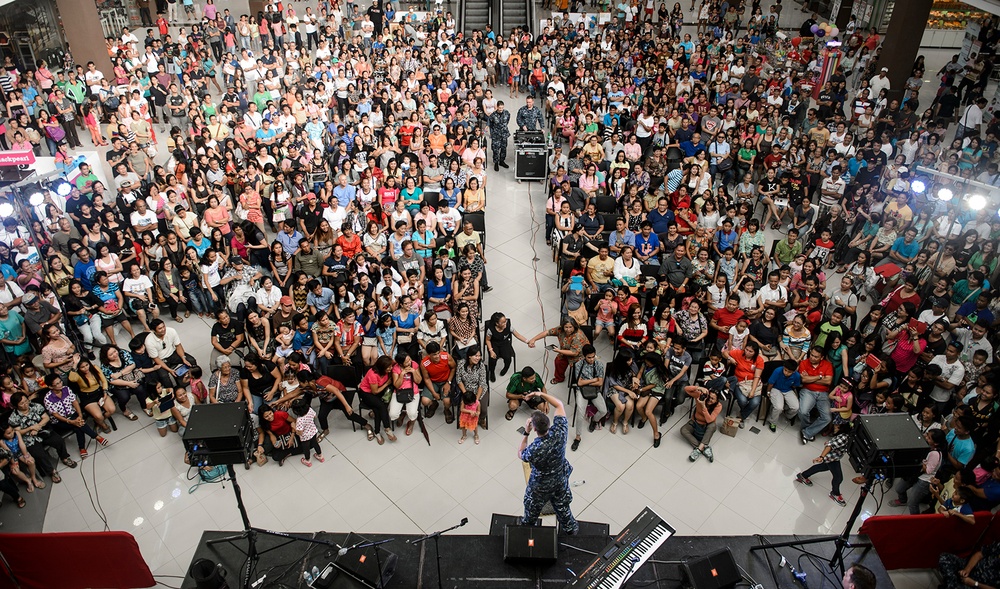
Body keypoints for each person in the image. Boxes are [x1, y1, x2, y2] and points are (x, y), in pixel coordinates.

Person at [518, 390, 578, 535]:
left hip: (541, 484)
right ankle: (571, 529)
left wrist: (526, 433)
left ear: (535, 429)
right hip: (559, 477)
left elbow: (521, 454)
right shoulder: (560, 430)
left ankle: (528, 528)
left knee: (532, 507)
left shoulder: (535, 448)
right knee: (562, 506)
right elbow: (559, 404)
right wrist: (540, 394)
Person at [795, 421, 852, 506]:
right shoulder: (844, 437)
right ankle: (835, 494)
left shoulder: (844, 436)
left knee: (823, 467)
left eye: (837, 426)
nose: (835, 427)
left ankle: (803, 475)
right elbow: (830, 446)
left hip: (833, 457)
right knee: (838, 478)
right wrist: (821, 457)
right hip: (832, 459)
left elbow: (831, 443)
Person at [570, 344, 606, 452]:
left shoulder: (599, 364)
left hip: (594, 390)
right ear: (584, 356)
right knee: (580, 413)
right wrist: (593, 380)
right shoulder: (578, 364)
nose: (591, 359)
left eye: (593, 356)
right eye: (589, 357)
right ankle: (578, 436)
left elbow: (600, 382)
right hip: (581, 390)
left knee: (603, 410)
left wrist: (588, 382)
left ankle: (594, 420)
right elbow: (579, 383)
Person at [681, 384, 723, 462]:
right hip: (695, 421)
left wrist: (703, 406)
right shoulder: (701, 396)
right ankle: (703, 447)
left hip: (707, 425)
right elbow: (686, 389)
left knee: (713, 425)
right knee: (683, 430)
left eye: (713, 399)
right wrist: (699, 388)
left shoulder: (718, 406)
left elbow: (709, 420)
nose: (710, 400)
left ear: (717, 400)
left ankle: (698, 449)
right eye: (709, 397)